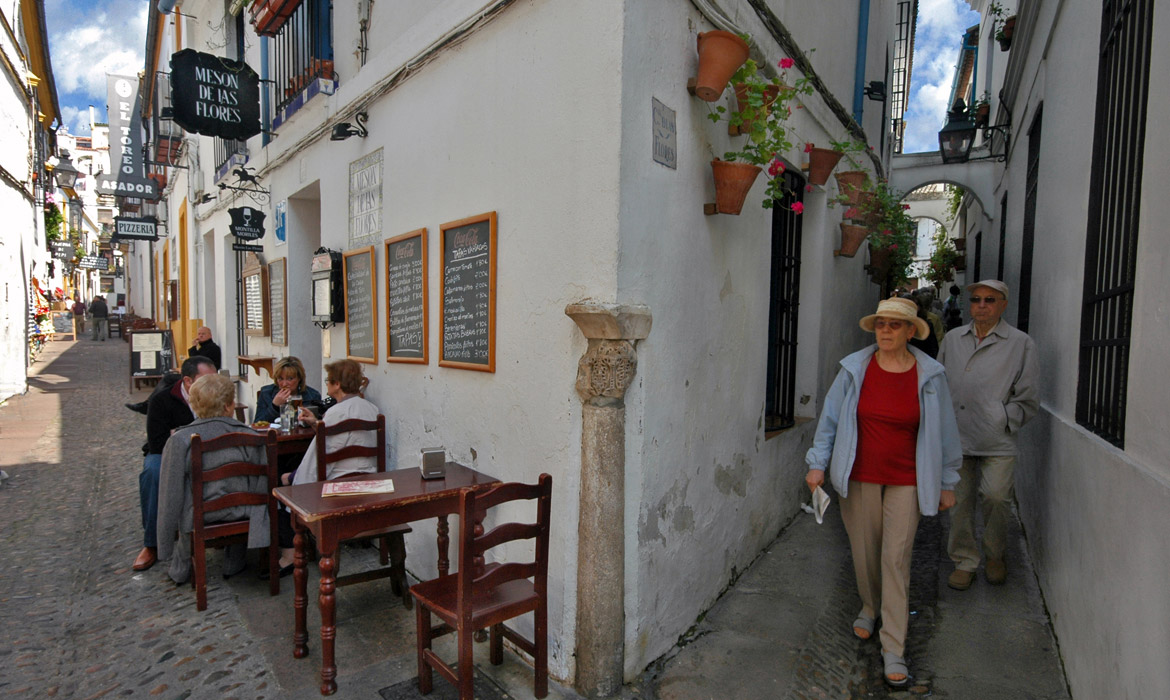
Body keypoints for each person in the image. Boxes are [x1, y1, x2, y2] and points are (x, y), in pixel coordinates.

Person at [805, 297, 961, 687]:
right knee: (864, 550)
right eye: (881, 324)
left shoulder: (930, 376)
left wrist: (947, 481)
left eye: (895, 325)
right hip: (860, 475)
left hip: (908, 478)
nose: (886, 331)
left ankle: (894, 645)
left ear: (912, 331)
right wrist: (817, 462)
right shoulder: (854, 369)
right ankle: (870, 606)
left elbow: (945, 432)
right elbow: (830, 420)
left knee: (895, 558)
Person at [938, 280, 1039, 590]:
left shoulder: (1021, 343)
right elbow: (939, 382)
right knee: (960, 502)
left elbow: (1029, 395)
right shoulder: (954, 338)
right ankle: (964, 560)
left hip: (997, 438)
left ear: (1003, 304)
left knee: (996, 497)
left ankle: (995, 555)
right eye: (977, 299)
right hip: (957, 435)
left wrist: (1004, 418)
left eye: (990, 300)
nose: (981, 305)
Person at [266, 360, 380, 579]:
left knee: (282, 488)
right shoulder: (371, 409)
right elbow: (339, 442)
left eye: (329, 381)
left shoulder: (336, 413)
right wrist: (316, 424)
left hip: (337, 488)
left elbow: (316, 462)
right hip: (367, 481)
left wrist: (292, 478)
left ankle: (291, 554)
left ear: (337, 384)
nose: (327, 385)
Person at [156, 374, 271, 583]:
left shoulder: (180, 440)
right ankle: (234, 562)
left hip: (201, 514)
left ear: (194, 405)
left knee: (186, 499)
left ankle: (180, 570)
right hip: (242, 510)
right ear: (229, 406)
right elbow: (260, 485)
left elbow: (169, 496)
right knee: (240, 490)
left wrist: (163, 546)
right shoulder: (253, 436)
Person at [132, 356, 219, 571]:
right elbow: (157, 442)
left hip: (206, 449)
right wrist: (186, 436)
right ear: (189, 382)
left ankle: (227, 530)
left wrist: (179, 432)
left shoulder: (215, 396)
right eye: (207, 380)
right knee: (152, 472)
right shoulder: (161, 400)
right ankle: (151, 543)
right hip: (167, 453)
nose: (214, 386)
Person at [254, 357, 322, 424]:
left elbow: (318, 425)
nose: (284, 384)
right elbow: (257, 424)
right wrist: (274, 406)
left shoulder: (313, 395)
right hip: (275, 434)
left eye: (290, 379)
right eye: (280, 378)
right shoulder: (266, 393)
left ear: (299, 378)